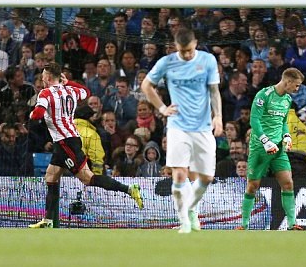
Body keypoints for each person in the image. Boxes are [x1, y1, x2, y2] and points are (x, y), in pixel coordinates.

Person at [28, 62, 143, 229]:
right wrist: (68, 82)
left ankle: (129, 189)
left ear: (47, 77)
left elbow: (37, 114)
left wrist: (31, 113)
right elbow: (86, 92)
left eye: (43, 76)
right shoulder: (71, 90)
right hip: (66, 140)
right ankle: (48, 221)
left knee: (88, 179)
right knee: (51, 176)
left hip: (65, 141)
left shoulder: (45, 94)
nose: (42, 79)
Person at [141, 28, 223, 233]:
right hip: (178, 126)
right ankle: (184, 221)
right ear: (176, 46)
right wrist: (161, 108)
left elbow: (214, 91)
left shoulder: (208, 60)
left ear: (195, 43)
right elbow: (146, 85)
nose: (186, 54)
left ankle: (191, 209)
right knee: (179, 175)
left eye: (189, 50)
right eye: (182, 50)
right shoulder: (166, 62)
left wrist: (218, 117)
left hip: (203, 127)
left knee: (205, 178)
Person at [239, 68, 305, 230]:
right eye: (296, 86)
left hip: (278, 148)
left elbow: (282, 122)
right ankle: (244, 224)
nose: (297, 89)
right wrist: (265, 141)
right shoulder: (264, 95)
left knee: (288, 183)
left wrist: (287, 135)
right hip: (260, 148)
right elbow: (254, 121)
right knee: (253, 185)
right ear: (287, 81)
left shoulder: (287, 99)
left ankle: (291, 223)